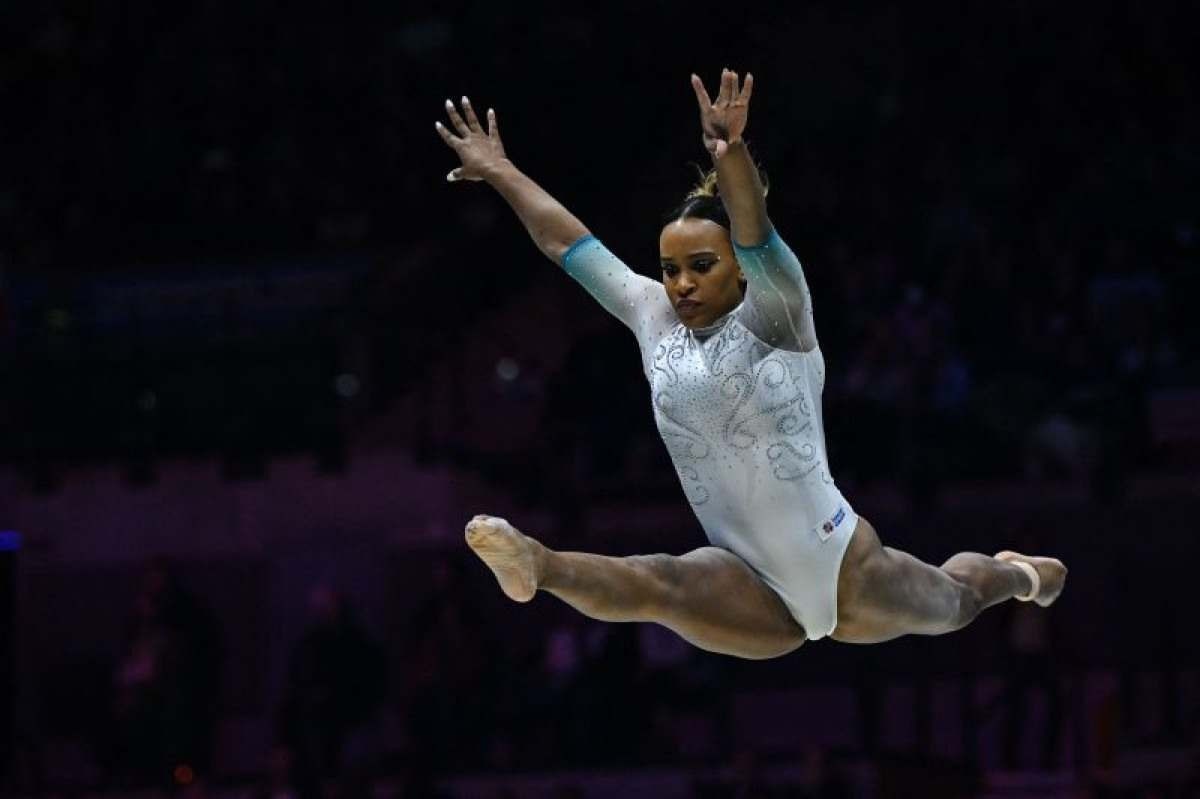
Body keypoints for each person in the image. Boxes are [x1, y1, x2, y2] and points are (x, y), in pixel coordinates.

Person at [434, 69, 1066, 659]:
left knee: (956, 602)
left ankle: (1018, 575)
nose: (680, 284)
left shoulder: (778, 313)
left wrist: (729, 153)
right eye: (670, 269)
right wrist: (499, 170)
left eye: (701, 266)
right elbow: (566, 242)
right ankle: (536, 564)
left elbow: (757, 232)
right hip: (743, 578)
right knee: (660, 582)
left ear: (738, 268)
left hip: (842, 565)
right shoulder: (649, 314)